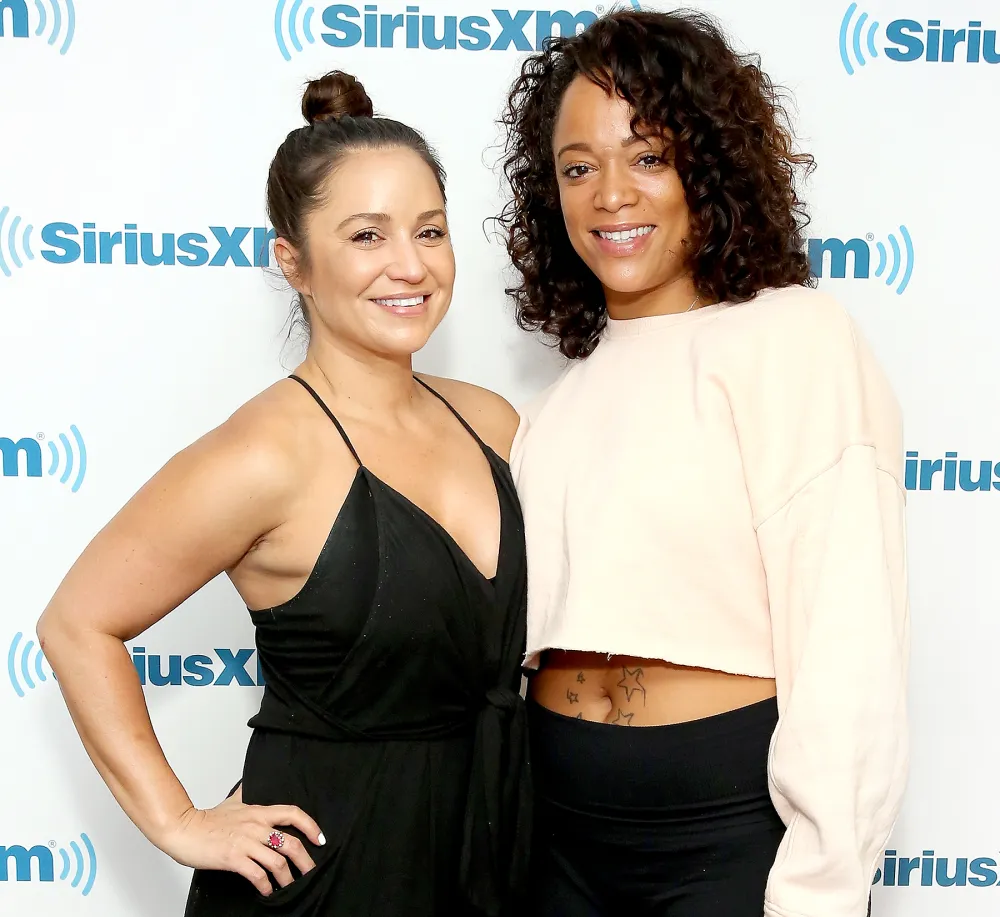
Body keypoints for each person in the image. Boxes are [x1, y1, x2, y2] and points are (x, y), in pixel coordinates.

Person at [36, 70, 531, 917]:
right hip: (324, 877)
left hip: (488, 855)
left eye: (430, 231)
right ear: (293, 262)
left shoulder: (494, 422)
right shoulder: (265, 452)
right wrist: (179, 819)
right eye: (366, 236)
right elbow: (77, 623)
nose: (409, 265)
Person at [499, 10, 908, 917]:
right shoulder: (564, 396)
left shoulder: (795, 338)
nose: (610, 193)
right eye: (578, 167)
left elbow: (850, 645)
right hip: (558, 837)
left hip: (722, 840)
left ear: (708, 164)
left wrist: (820, 892)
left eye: (647, 155)